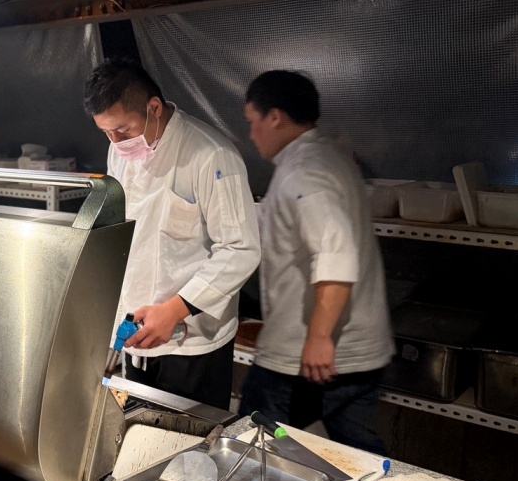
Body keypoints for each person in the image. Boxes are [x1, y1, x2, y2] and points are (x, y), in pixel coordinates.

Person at [84, 58, 261, 409]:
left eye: (122, 130)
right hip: (136, 332)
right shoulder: (118, 151)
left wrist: (175, 310)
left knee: (189, 452)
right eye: (106, 132)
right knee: (138, 439)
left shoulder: (211, 156)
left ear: (154, 108)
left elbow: (241, 250)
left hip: (192, 342)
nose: (115, 142)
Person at [240, 70, 394, 454]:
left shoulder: (305, 170)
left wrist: (320, 337)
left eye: (252, 122)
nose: (251, 134)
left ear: (274, 117)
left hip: (307, 354)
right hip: (359, 350)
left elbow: (335, 252)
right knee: (356, 454)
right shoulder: (327, 155)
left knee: (253, 444)